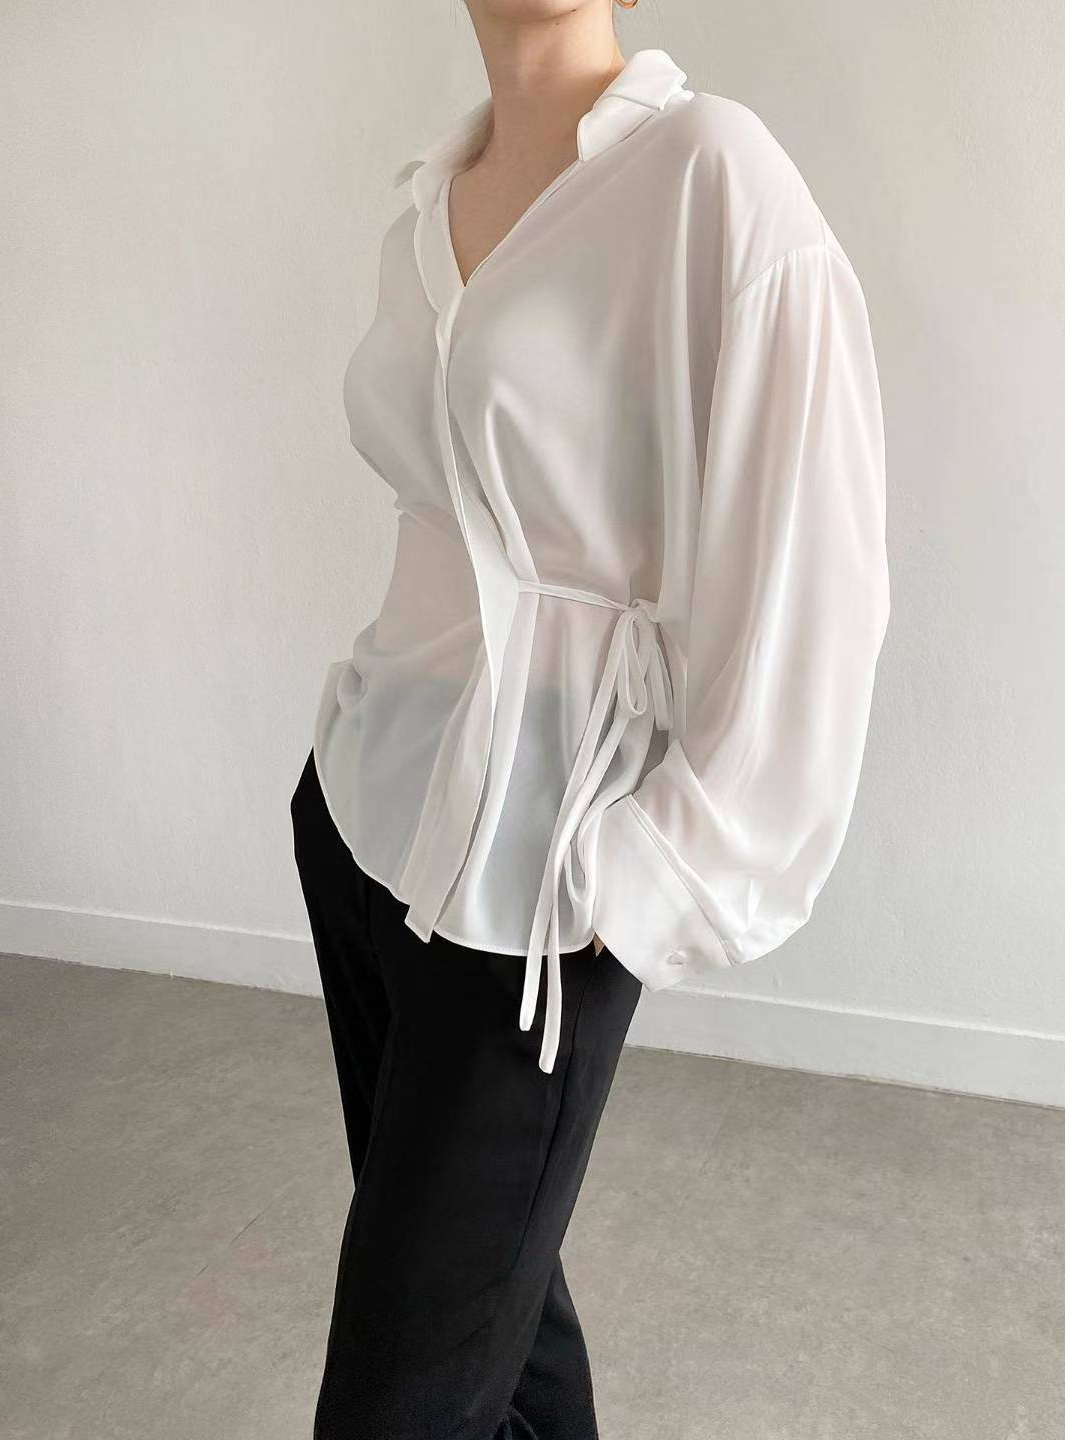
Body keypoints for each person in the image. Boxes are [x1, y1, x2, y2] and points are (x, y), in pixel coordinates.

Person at [289, 0, 891, 1434]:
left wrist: (651, 882)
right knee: (501, 1324)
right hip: (365, 815)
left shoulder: (711, 174)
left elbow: (815, 585)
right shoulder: (429, 197)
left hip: (540, 894)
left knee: (402, 1392)